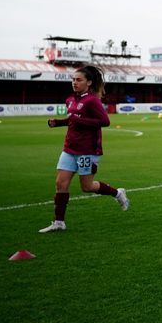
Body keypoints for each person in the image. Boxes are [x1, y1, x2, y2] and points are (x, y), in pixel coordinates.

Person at [40, 65, 129, 233]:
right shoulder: (71, 99)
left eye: (79, 80)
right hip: (69, 148)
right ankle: (59, 222)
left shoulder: (92, 101)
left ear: (88, 82)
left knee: (87, 187)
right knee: (60, 183)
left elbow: (105, 122)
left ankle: (117, 193)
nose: (75, 82)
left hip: (87, 150)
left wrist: (78, 120)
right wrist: (58, 122)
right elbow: (73, 118)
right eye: (73, 79)